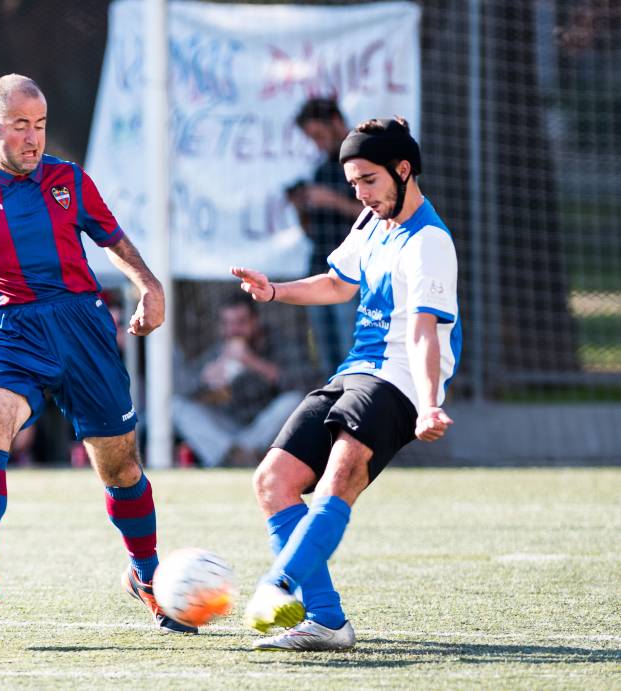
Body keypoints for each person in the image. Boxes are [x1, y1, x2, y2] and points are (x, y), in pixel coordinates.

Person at [0, 74, 196, 633]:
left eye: (41, 125)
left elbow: (114, 240)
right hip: (10, 334)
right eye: (21, 126)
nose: (34, 138)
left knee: (120, 465)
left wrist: (150, 287)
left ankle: (147, 574)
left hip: (83, 328)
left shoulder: (69, 180)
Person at [231, 117, 461, 651]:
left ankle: (278, 585)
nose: (359, 193)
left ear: (403, 171)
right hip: (355, 373)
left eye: (369, 181)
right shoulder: (371, 222)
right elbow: (337, 284)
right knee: (272, 481)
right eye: (353, 182)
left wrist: (428, 405)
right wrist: (274, 293)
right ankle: (328, 622)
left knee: (339, 478)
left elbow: (426, 333)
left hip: (400, 383)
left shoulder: (429, 242)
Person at [172, 294, 306, 468]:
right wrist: (203, 379)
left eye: (241, 322)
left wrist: (253, 362)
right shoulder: (219, 350)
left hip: (267, 433)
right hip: (230, 431)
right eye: (227, 323)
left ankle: (237, 456)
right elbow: (184, 390)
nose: (233, 330)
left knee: (293, 401)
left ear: (255, 321)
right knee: (176, 406)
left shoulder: (279, 343)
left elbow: (303, 386)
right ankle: (237, 456)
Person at [289, 98, 363, 377]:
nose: (317, 144)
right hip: (320, 272)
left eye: (319, 136)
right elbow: (312, 232)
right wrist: (300, 207)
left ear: (335, 122)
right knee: (329, 364)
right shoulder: (321, 170)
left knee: (353, 359)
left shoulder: (364, 162)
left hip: (352, 278)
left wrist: (332, 201)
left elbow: (384, 218)